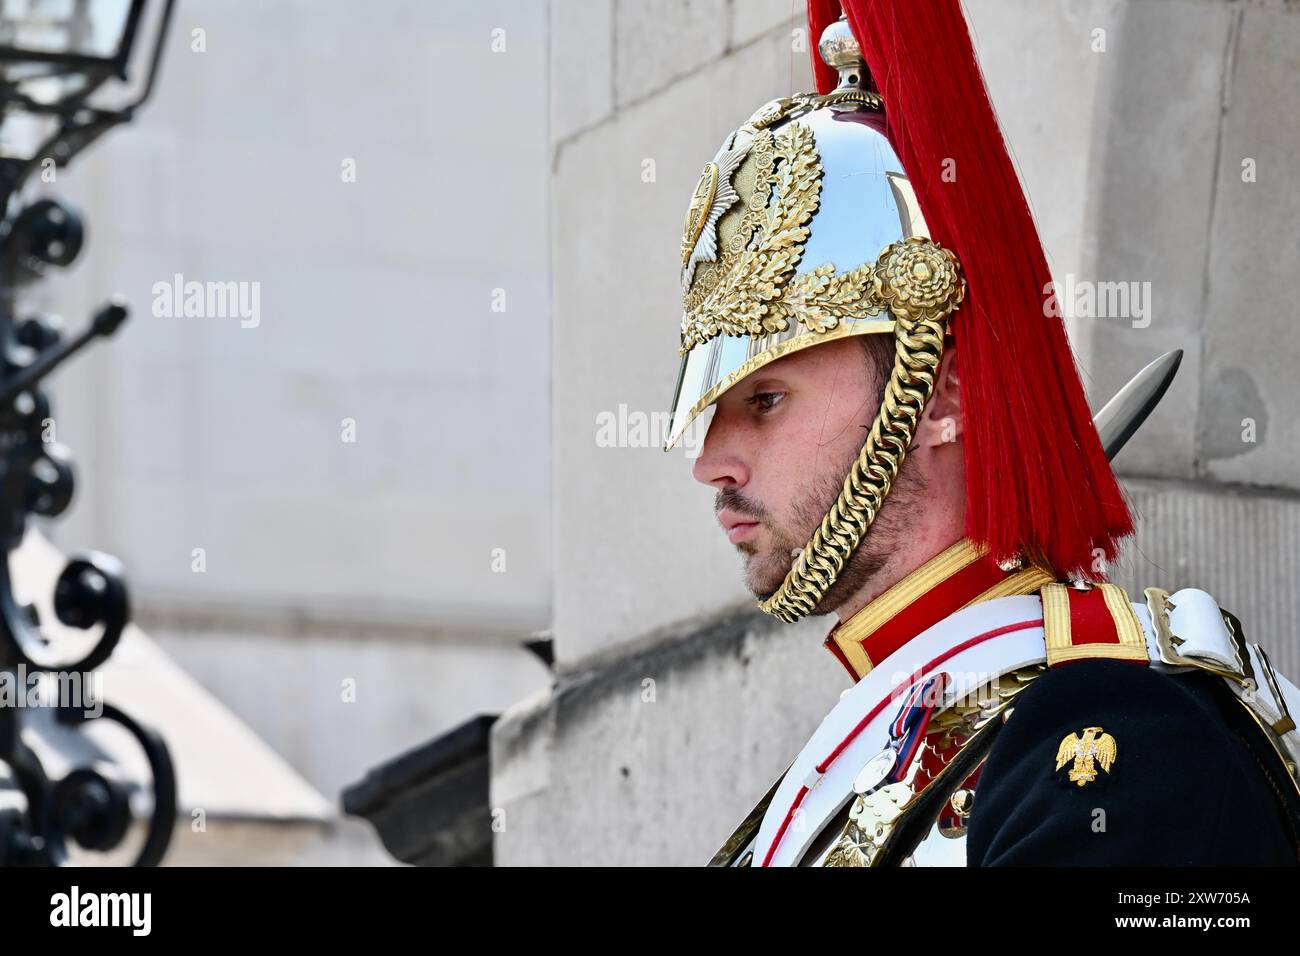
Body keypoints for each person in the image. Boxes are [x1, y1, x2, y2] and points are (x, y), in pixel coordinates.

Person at [664, 1, 1300, 867]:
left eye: (766, 400)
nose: (711, 461)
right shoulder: (853, 769)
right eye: (714, 409)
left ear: (941, 397)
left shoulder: (1110, 737)